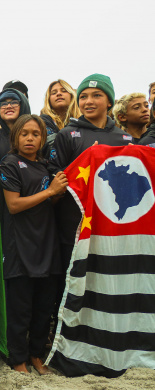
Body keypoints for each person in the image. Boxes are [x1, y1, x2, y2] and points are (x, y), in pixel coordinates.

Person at [0, 114, 67, 374]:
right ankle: (18, 359)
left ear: (42, 138)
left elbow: (50, 203)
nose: (30, 138)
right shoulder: (10, 164)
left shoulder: (48, 166)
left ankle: (37, 355)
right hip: (20, 247)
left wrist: (56, 194)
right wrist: (50, 191)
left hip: (47, 245)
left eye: (35, 134)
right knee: (20, 309)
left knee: (44, 307)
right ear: (15, 137)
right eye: (24, 133)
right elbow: (14, 206)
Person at [50, 74, 134, 281]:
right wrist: (85, 161)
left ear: (109, 102)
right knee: (74, 281)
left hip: (111, 224)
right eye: (83, 96)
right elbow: (53, 173)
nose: (88, 101)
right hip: (74, 226)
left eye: (96, 95)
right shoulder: (67, 134)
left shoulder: (124, 138)